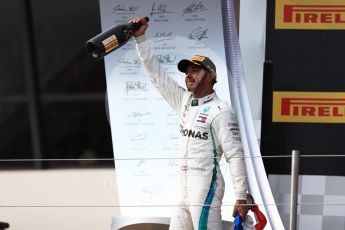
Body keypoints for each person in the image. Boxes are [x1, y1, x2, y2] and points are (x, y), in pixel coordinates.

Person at [130, 17, 248, 229]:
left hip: (206, 185)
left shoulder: (221, 110)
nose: (188, 75)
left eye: (195, 70)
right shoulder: (184, 101)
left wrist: (241, 196)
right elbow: (156, 74)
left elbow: (235, 155)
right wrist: (140, 39)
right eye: (186, 72)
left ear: (210, 76)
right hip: (183, 185)